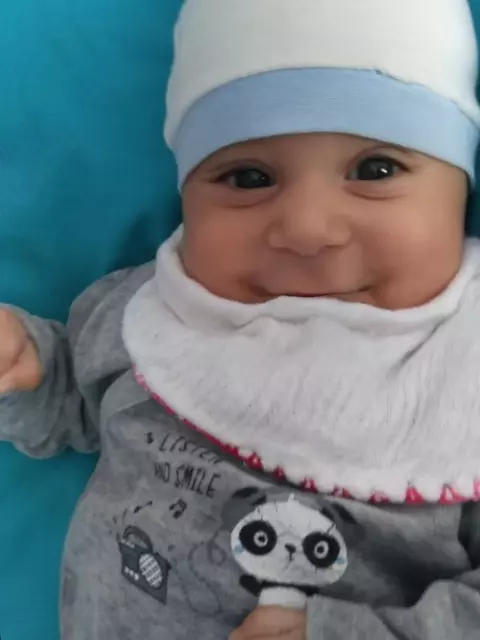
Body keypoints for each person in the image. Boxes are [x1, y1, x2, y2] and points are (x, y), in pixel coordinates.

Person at [1, 0, 480, 638]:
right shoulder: (149, 313)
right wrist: (27, 367)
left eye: (376, 170)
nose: (307, 229)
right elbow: (76, 404)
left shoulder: (464, 369)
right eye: (249, 178)